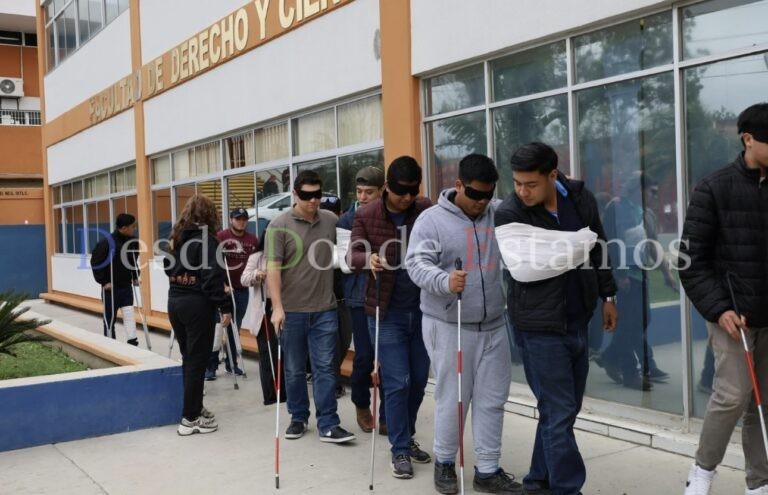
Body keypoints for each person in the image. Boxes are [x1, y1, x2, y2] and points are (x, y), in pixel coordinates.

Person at [495, 142, 618, 495]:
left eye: (530, 184)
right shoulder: (510, 213)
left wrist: (608, 295)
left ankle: (536, 482)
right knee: (560, 411)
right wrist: (574, 245)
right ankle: (568, 489)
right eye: (517, 183)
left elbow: (598, 246)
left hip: (579, 318)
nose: (521, 191)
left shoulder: (580, 198)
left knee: (559, 412)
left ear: (552, 174)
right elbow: (524, 269)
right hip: (538, 328)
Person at [406, 154, 521, 494]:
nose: (481, 202)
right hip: (448, 323)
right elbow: (416, 263)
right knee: (453, 397)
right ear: (458, 185)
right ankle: (444, 462)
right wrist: (444, 280)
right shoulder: (431, 221)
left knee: (492, 399)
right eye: (475, 195)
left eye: (487, 195)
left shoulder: (497, 213)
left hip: (494, 325)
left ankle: (487, 469)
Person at [680, 103, 768, 495]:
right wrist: (719, 309)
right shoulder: (714, 188)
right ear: (748, 139)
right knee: (732, 397)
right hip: (735, 317)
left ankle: (760, 482)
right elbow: (691, 261)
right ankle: (702, 472)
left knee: (763, 403)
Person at [348, 156, 432, 479]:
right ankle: (398, 449)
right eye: (400, 193)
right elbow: (351, 254)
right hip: (387, 312)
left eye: (412, 192)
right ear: (387, 188)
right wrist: (366, 257)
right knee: (397, 382)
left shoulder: (424, 209)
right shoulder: (366, 214)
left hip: (423, 311)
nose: (407, 199)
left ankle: (406, 436)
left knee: (420, 380)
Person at [265, 170, 355, 444]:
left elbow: (347, 250)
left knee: (326, 368)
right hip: (291, 312)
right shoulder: (278, 225)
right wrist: (277, 307)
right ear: (295, 194)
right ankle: (298, 417)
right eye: (307, 196)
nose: (314, 201)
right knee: (293, 369)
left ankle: (328, 423)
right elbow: (273, 269)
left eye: (318, 194)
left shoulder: (330, 220)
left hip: (325, 309)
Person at [597, 172, 675, 390]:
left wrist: (667, 273)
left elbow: (652, 245)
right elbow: (612, 242)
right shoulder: (616, 208)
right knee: (628, 324)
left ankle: (609, 356)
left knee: (642, 321)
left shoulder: (646, 213)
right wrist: (620, 275)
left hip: (640, 274)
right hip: (623, 278)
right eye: (652, 191)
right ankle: (629, 371)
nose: (654, 196)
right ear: (638, 189)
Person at [164, 195, 232, 435]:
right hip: (197, 305)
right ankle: (190, 418)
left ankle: (193, 407)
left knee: (189, 359)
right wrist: (225, 306)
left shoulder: (177, 239)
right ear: (210, 215)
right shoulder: (208, 241)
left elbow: (166, 267)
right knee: (197, 361)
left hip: (175, 302)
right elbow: (212, 279)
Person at [337, 166, 388, 434]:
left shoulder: (391, 216)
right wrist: (368, 259)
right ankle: (360, 403)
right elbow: (345, 263)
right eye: (359, 192)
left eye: (369, 192)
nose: (364, 196)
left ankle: (389, 412)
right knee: (365, 355)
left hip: (390, 296)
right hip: (359, 295)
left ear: (382, 190)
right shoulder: (346, 221)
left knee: (390, 357)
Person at [205, 208, 259, 380]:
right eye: (238, 219)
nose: (241, 222)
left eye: (244, 219)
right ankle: (211, 366)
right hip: (223, 291)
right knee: (218, 327)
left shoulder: (252, 240)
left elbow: (257, 261)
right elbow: (213, 264)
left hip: (242, 290)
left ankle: (231, 364)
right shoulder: (221, 237)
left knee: (234, 328)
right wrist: (222, 284)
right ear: (231, 219)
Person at [241, 246, 285, 406]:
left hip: (284, 306)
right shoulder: (257, 257)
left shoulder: (286, 255)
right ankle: (270, 394)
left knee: (284, 352)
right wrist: (256, 275)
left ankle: (284, 391)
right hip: (264, 308)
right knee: (267, 354)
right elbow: (244, 278)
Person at [319, 194, 353, 399]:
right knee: (328, 345)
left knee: (344, 342)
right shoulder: (315, 236)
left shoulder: (345, 235)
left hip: (343, 300)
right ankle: (332, 382)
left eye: (333, 212)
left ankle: (331, 377)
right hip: (322, 301)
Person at [91, 213, 140, 346]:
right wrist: (104, 281)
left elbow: (133, 261)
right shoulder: (106, 243)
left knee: (129, 314)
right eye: (132, 226)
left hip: (126, 286)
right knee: (109, 318)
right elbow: (95, 262)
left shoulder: (133, 242)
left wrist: (135, 277)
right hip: (111, 288)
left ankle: (132, 342)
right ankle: (110, 344)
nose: (134, 229)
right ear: (123, 228)